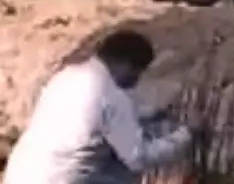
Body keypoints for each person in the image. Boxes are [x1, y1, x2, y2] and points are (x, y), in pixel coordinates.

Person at [4, 29, 192, 184]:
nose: (137, 79)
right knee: (123, 171)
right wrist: (184, 137)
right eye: (137, 71)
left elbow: (92, 118)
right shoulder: (112, 95)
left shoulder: (68, 75)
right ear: (126, 64)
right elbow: (138, 158)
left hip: (20, 174)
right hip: (61, 179)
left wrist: (151, 114)